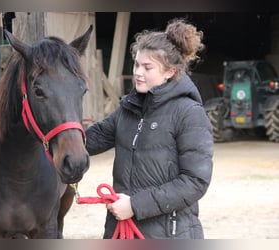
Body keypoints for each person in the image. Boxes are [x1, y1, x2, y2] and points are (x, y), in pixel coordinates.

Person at [85, 18, 213, 239]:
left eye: (147, 67)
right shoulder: (128, 109)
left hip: (169, 234)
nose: (138, 73)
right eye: (136, 64)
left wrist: (135, 205)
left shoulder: (189, 113)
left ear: (170, 72)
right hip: (120, 231)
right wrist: (49, 136)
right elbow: (90, 140)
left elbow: (195, 182)